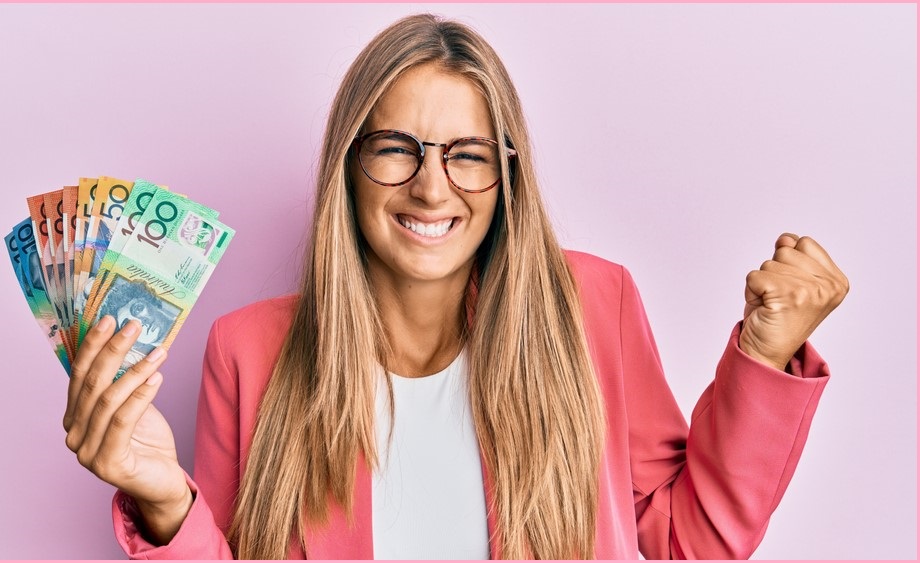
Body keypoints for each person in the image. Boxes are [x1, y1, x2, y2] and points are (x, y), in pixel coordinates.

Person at [61, 14, 849, 560]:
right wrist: (166, 502)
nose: (432, 189)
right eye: (397, 148)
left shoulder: (593, 306)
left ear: (505, 176)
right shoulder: (249, 350)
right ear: (348, 165)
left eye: (467, 154)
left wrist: (763, 353)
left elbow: (688, 539)